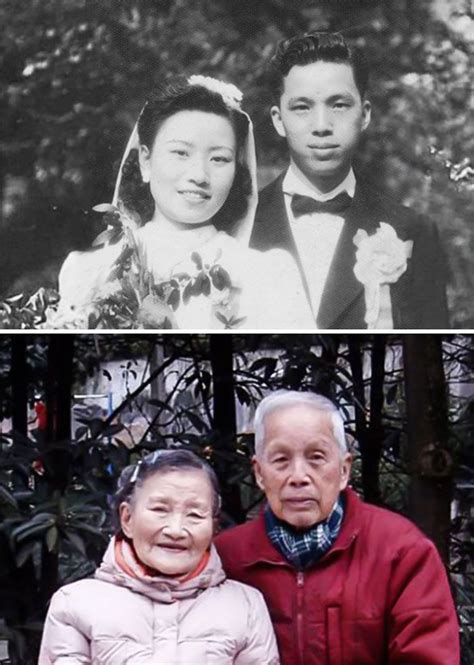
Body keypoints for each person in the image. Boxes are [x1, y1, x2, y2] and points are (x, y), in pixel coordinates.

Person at [215, 390, 460, 665]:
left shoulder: (400, 550)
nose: (298, 477)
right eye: (281, 460)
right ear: (259, 473)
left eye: (316, 457)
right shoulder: (224, 560)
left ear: (344, 470)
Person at [50, 75, 313, 330]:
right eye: (180, 153)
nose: (199, 175)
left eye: (219, 159)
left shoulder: (268, 274)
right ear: (145, 161)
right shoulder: (88, 272)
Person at [250, 32, 449, 329]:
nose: (321, 126)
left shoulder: (413, 231)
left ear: (365, 114)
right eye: (302, 107)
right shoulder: (239, 224)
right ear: (279, 120)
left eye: (339, 105)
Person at [39, 449, 279, 664]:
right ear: (127, 519)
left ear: (213, 527)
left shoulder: (245, 605)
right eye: (160, 510)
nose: (175, 530)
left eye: (195, 514)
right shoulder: (75, 604)